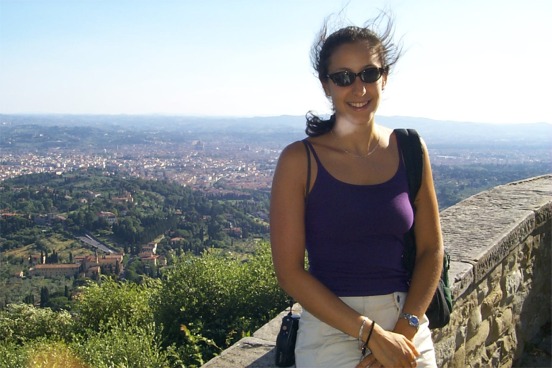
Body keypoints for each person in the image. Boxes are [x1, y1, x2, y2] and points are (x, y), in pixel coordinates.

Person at [270, 12, 443, 368]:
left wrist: (402, 332)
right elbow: (289, 271)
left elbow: (431, 250)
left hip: (404, 317)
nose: (359, 88)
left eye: (369, 73)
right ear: (326, 85)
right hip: (331, 323)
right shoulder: (299, 160)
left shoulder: (410, 149)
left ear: (385, 78)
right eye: (344, 77)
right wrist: (373, 336)